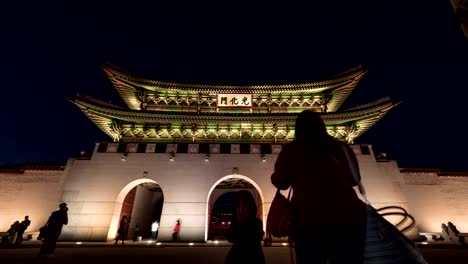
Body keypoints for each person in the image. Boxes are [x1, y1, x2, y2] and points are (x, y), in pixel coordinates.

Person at [271, 110, 367, 264]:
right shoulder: (341, 147)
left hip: (309, 223)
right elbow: (355, 180)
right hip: (349, 221)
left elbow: (280, 182)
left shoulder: (291, 150)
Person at [224, 190, 266, 264]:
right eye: (239, 206)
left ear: (251, 207)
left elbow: (252, 240)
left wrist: (243, 223)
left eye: (245, 205)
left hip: (254, 258)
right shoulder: (236, 222)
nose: (242, 209)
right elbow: (230, 237)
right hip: (235, 257)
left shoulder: (256, 223)